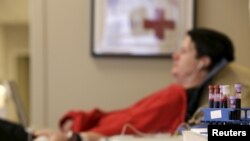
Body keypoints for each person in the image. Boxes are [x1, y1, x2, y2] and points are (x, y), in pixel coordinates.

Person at [33, 28, 236, 141]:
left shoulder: (178, 97)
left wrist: (73, 138)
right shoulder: (187, 95)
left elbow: (131, 123)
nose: (175, 56)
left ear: (203, 61)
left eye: (183, 51)